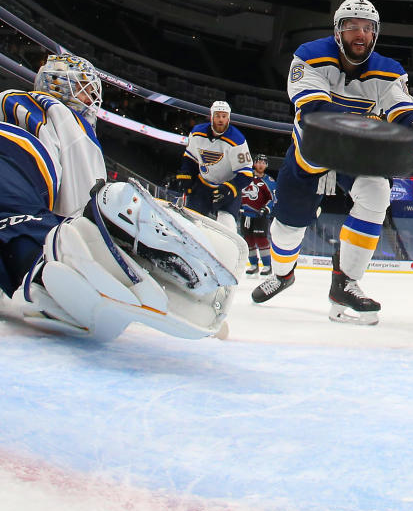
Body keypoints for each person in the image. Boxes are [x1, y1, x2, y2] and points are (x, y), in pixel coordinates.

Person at [0, 55, 243, 340]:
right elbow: (80, 209)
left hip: (18, 167)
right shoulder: (68, 119)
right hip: (19, 163)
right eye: (85, 89)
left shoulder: (9, 98)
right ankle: (42, 279)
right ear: (59, 86)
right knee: (54, 229)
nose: (92, 97)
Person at [251, 0, 413, 324]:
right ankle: (283, 274)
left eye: (367, 28)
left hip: (354, 154)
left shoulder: (389, 70)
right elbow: (314, 111)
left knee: (377, 193)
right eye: (352, 27)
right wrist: (378, 131)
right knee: (287, 229)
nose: (360, 34)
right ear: (337, 31)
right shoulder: (309, 55)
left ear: (375, 34)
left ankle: (345, 282)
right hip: (311, 155)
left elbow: (403, 109)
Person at [171, 100, 253, 232]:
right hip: (203, 186)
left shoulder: (237, 140)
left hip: (226, 189)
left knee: (227, 226)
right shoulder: (197, 133)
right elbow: (190, 158)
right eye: (218, 115)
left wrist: (231, 187)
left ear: (228, 118)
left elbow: (247, 174)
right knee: (190, 223)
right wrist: (186, 174)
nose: (221, 119)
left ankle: (226, 251)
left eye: (224, 116)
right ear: (212, 116)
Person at [240, 154, 277, 276]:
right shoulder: (246, 176)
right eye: (258, 162)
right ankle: (253, 264)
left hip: (260, 215)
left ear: (266, 165)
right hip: (246, 214)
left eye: (263, 163)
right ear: (254, 163)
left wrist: (266, 209)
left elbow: (274, 198)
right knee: (248, 240)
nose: (260, 165)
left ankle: (267, 265)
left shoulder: (269, 181)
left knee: (261, 240)